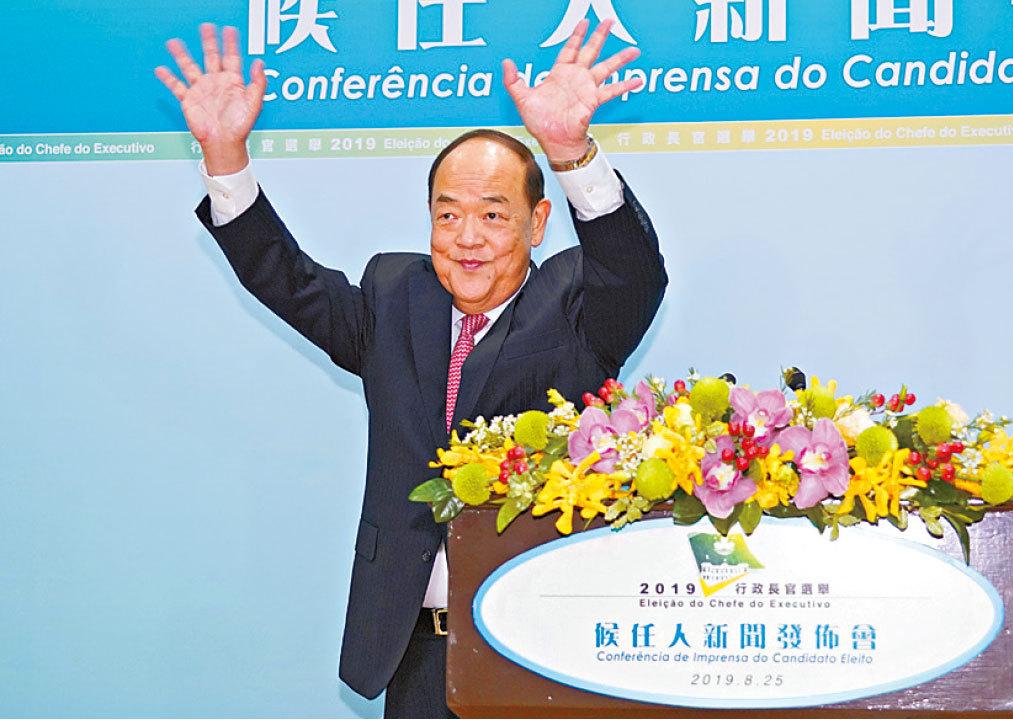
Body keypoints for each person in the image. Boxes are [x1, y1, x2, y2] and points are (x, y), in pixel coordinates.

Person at [155, 21, 666, 719]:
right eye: (447, 215)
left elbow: (634, 273)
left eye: (494, 215)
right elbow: (287, 280)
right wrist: (225, 157)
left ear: (538, 221)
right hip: (417, 651)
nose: (467, 238)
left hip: (542, 645)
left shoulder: (576, 305)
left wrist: (571, 153)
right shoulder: (395, 295)